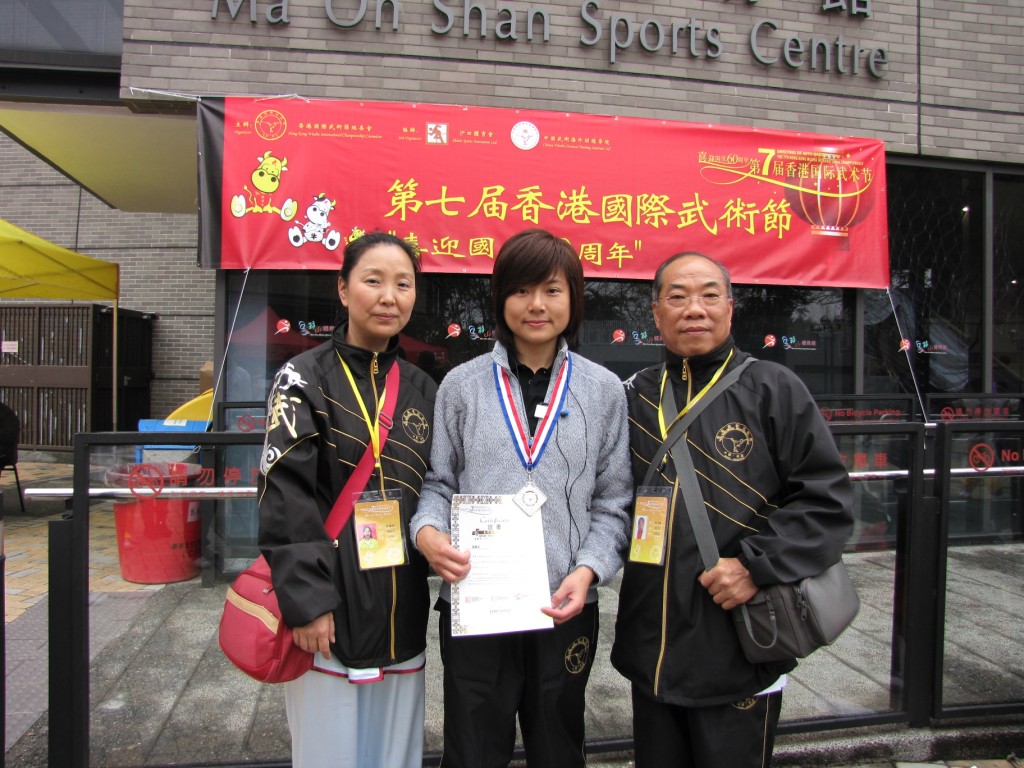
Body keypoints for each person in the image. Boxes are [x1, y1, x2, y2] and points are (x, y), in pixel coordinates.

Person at [611, 251, 853, 768]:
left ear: (730, 306)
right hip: (653, 643)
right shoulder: (635, 397)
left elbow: (826, 500)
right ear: (656, 312)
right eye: (677, 297)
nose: (694, 309)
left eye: (708, 295)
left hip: (738, 638)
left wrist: (754, 565)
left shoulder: (772, 387)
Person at [410, 228, 632, 768]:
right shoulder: (461, 386)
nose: (537, 305)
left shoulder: (604, 390)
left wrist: (589, 571)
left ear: (573, 299)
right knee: (472, 750)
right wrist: (427, 532)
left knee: (558, 750)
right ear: (500, 298)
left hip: (564, 604)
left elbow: (613, 500)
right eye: (521, 290)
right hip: (477, 605)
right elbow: (439, 482)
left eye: (552, 290)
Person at [258, 231, 438, 768]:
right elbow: (285, 496)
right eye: (373, 280)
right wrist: (308, 603)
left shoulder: (424, 388)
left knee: (396, 758)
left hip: (402, 615)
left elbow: (438, 486)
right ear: (342, 289)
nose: (389, 297)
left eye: (403, 284)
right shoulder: (302, 379)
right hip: (327, 620)